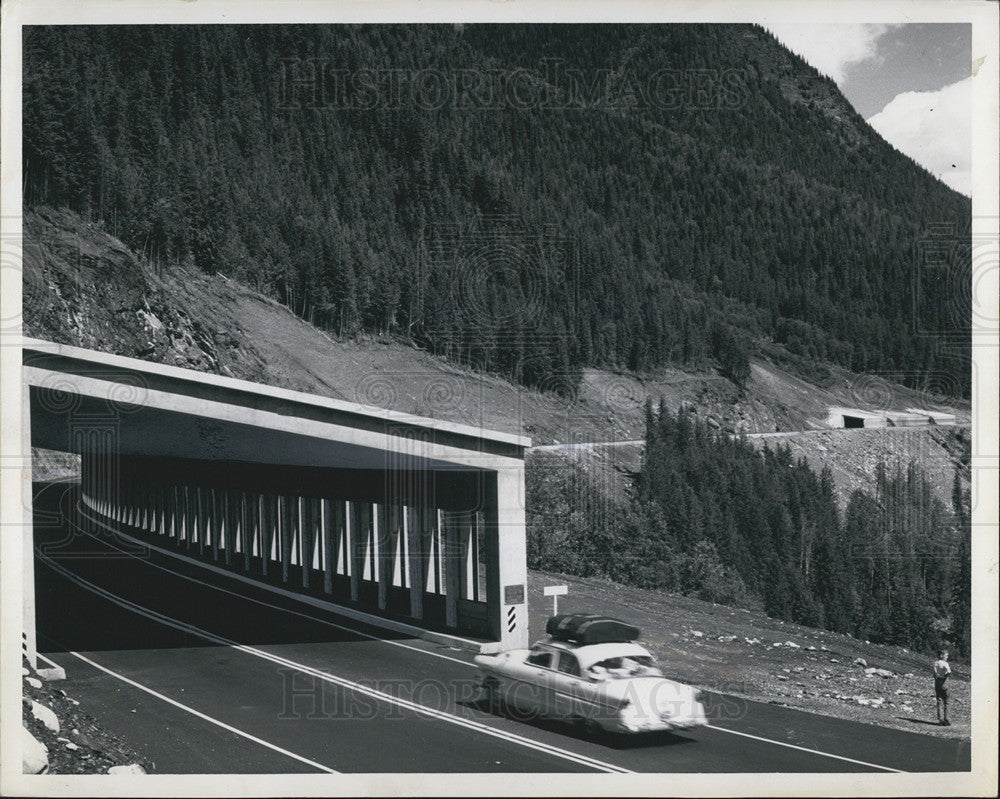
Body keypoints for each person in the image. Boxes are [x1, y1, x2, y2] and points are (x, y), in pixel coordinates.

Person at [933, 649, 951, 726]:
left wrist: (938, 677)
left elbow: (934, 674)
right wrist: (944, 676)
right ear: (942, 655)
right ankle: (947, 719)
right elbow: (949, 672)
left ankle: (940, 720)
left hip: (937, 682)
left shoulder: (935, 663)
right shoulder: (945, 663)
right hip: (944, 682)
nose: (947, 657)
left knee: (939, 701)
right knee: (947, 701)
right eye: (946, 655)